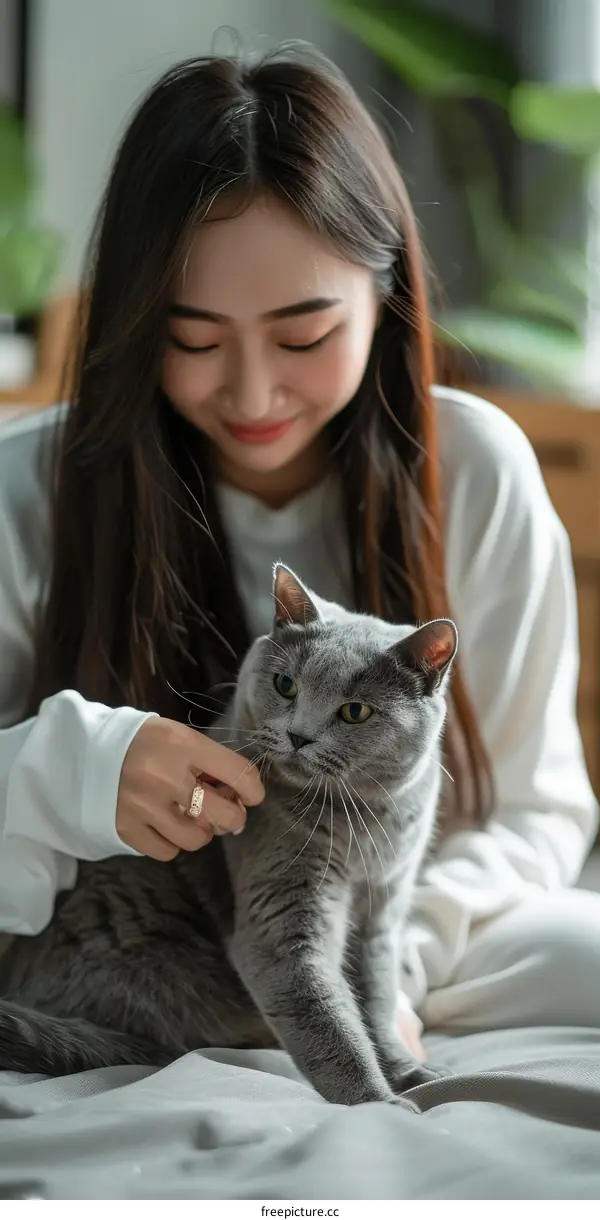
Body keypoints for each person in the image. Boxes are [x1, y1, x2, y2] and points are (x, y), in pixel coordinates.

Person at [0, 46, 598, 1065]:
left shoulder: (479, 472)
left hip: (407, 927)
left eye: (304, 331)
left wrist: (391, 963)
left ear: (385, 297)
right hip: (134, 943)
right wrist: (73, 768)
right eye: (191, 338)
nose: (252, 392)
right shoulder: (28, 488)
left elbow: (539, 814)